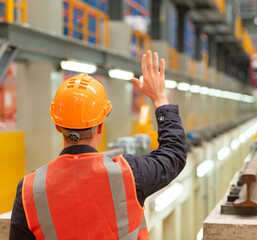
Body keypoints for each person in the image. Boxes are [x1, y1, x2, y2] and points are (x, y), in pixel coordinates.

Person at [9, 50, 187, 239]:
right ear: (100, 126)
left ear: (57, 125)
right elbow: (174, 154)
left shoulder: (29, 189)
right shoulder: (129, 174)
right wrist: (160, 98)